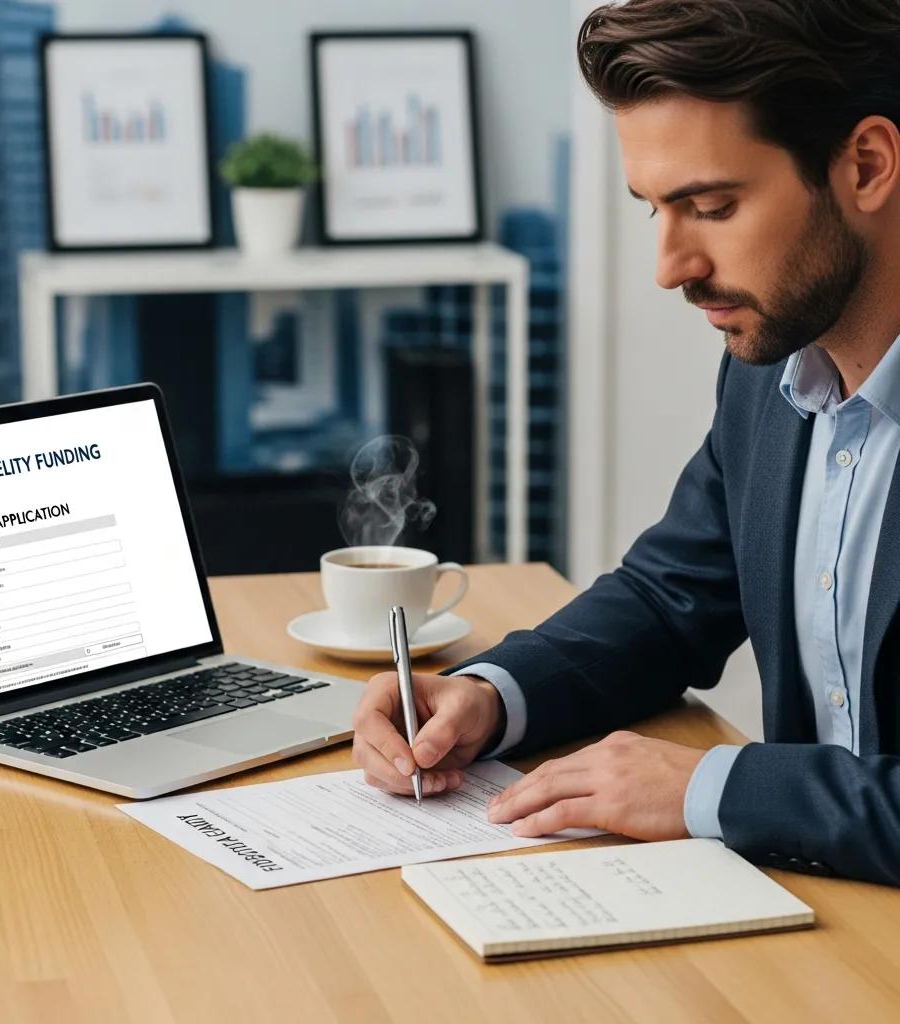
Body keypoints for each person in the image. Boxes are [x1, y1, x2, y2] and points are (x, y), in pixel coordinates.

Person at [351, 0, 900, 888]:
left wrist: (718, 787)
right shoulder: (771, 375)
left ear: (866, 165)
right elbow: (671, 597)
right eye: (655, 210)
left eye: (711, 206)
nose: (671, 265)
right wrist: (490, 697)